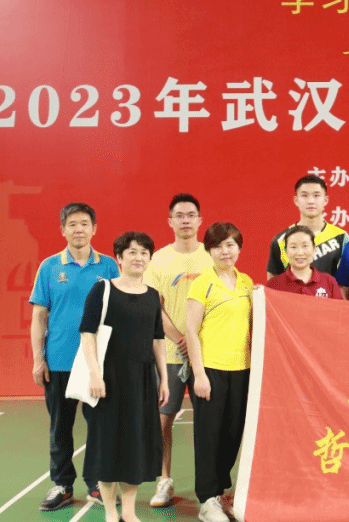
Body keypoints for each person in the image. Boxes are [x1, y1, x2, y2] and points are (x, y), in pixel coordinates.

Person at [29, 202, 119, 510]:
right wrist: (38, 359)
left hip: (98, 364)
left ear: (94, 229)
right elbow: (39, 316)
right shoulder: (49, 267)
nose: (78, 229)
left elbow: (118, 312)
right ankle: (62, 484)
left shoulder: (109, 266)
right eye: (72, 224)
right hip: (59, 361)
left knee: (99, 426)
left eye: (84, 224)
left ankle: (96, 483)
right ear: (63, 230)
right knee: (60, 427)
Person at [79, 232, 167, 522]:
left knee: (135, 447)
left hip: (142, 381)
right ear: (119, 257)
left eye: (144, 253)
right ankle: (109, 513)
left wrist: (164, 379)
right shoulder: (102, 289)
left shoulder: (153, 296)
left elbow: (157, 340)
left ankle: (128, 512)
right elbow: (87, 334)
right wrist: (95, 374)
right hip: (109, 381)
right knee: (107, 447)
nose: (138, 258)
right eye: (132, 252)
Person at [145, 193, 213, 507]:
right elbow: (153, 306)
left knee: (208, 423)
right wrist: (180, 338)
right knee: (163, 420)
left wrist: (195, 340)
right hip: (170, 355)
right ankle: (164, 481)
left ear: (200, 221)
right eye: (179, 215)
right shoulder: (158, 259)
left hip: (207, 355)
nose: (185, 220)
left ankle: (210, 486)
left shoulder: (211, 255)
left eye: (191, 215)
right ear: (170, 221)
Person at [185, 222, 254, 522]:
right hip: (211, 369)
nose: (225, 251)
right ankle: (206, 500)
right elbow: (190, 330)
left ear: (239, 248)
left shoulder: (247, 283)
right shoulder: (203, 283)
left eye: (230, 245)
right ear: (209, 251)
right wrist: (199, 374)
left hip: (242, 370)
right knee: (209, 436)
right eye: (218, 246)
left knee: (233, 434)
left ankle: (221, 492)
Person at [266, 174, 349, 278]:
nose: (311, 201)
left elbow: (348, 281)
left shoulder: (341, 237)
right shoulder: (280, 240)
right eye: (304, 195)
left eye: (316, 195)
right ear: (296, 200)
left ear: (325, 200)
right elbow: (272, 283)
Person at [266, 225, 346, 299]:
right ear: (286, 251)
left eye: (305, 246)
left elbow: (339, 309)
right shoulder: (273, 285)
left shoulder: (329, 282)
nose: (300, 253)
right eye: (293, 247)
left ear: (314, 249)